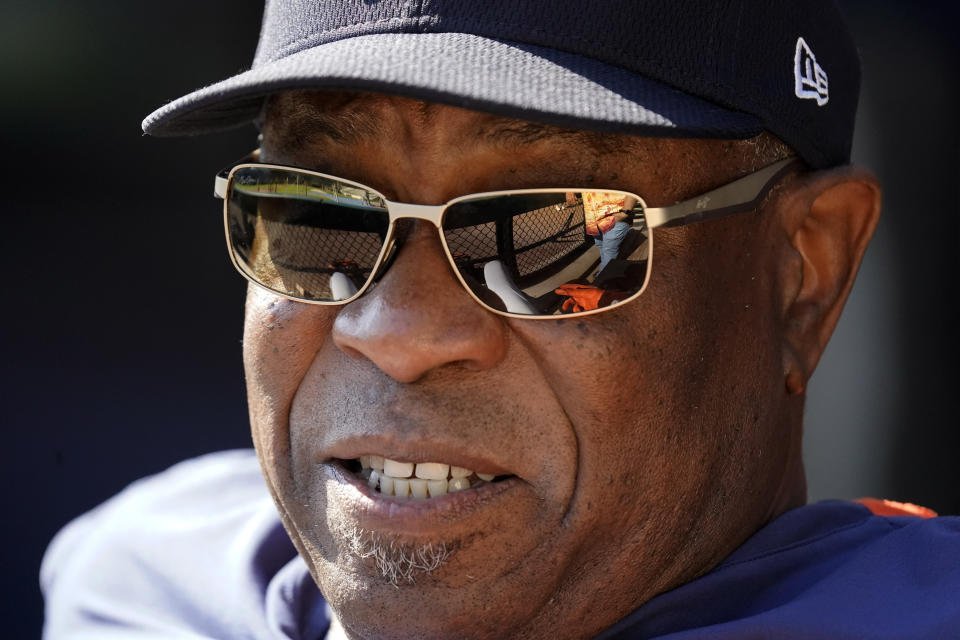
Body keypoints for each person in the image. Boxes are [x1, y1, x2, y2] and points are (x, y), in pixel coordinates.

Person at [41, 1, 960, 639]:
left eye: (547, 235)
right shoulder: (141, 583)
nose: (393, 332)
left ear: (805, 276)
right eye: (320, 213)